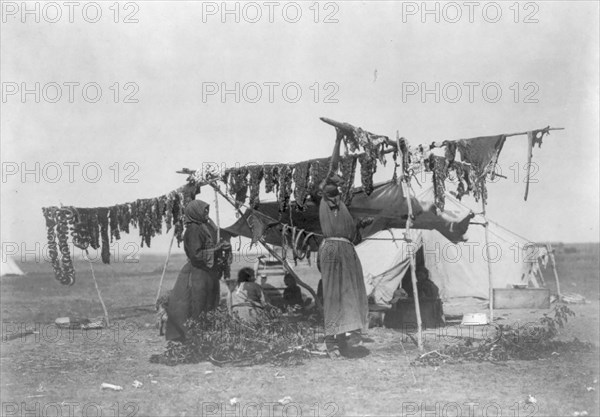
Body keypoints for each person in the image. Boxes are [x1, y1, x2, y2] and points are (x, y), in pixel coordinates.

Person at [317, 133, 373, 357]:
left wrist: (360, 226)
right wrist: (338, 141)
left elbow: (351, 235)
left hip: (347, 251)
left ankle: (343, 341)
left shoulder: (343, 207)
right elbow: (333, 168)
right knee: (333, 296)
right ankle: (330, 344)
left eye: (339, 185)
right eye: (335, 183)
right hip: (332, 251)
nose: (338, 186)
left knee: (349, 294)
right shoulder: (324, 199)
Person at [165, 200, 231, 341]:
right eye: (204, 210)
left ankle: (205, 336)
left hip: (207, 272)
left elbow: (209, 247)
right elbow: (195, 255)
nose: (207, 213)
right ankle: (195, 338)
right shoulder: (193, 229)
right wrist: (216, 249)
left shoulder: (205, 227)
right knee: (198, 304)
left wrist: (221, 248)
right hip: (198, 273)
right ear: (195, 212)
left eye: (207, 210)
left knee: (209, 303)